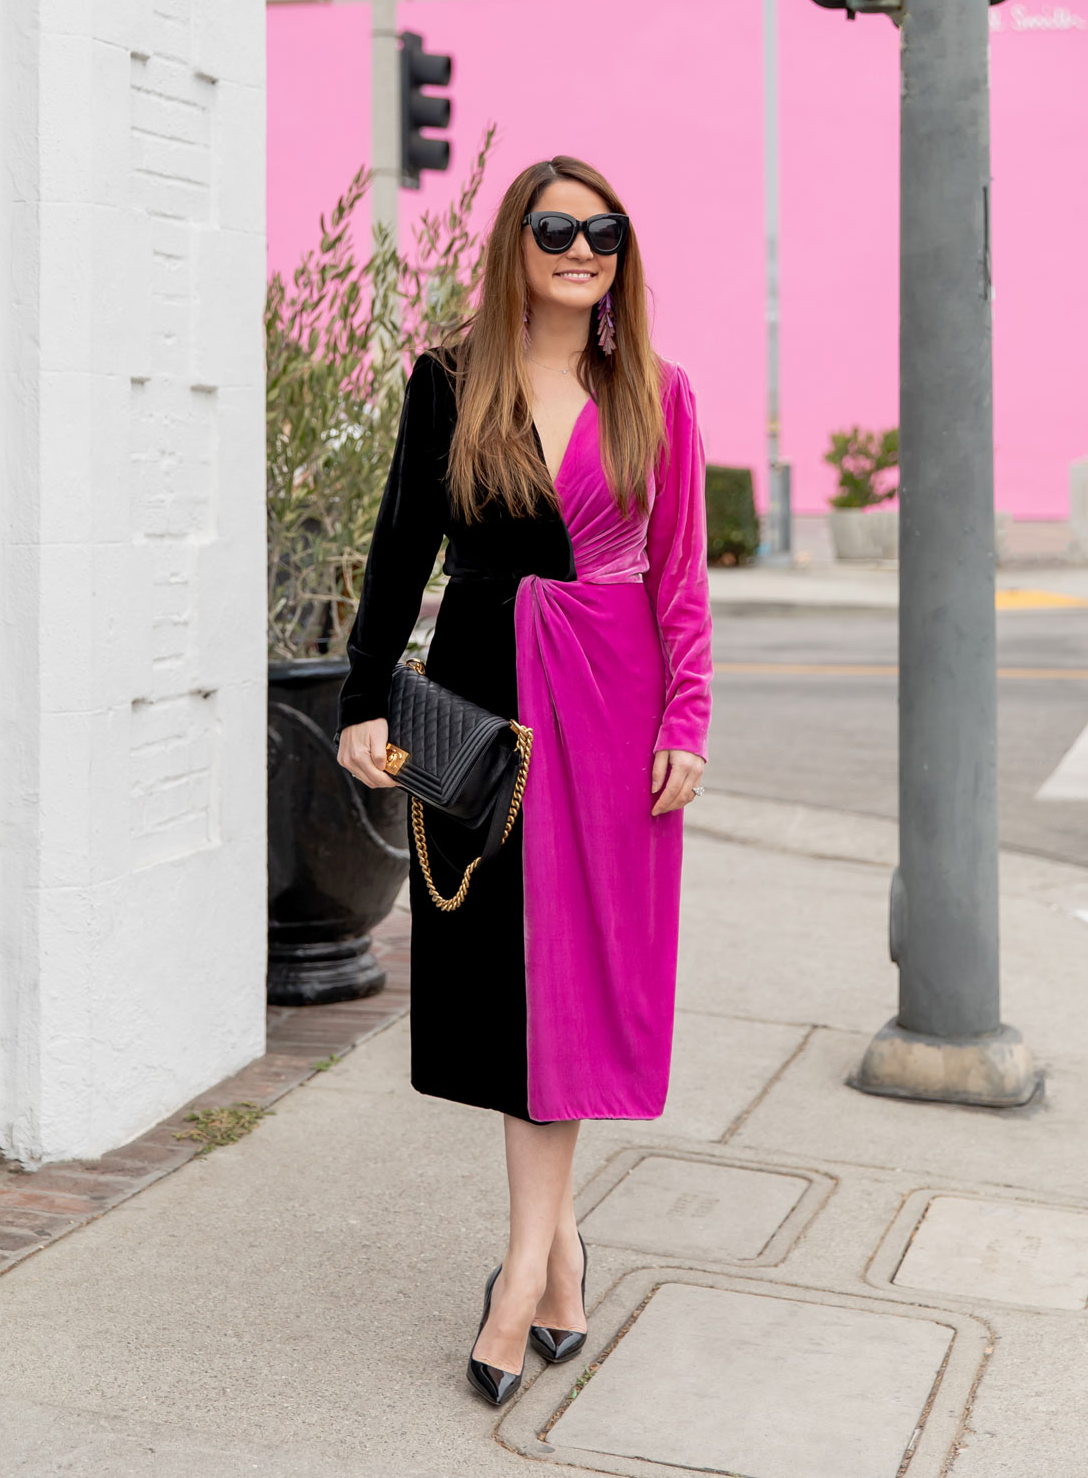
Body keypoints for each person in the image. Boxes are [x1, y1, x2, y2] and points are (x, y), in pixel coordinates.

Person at [337, 155, 712, 1406]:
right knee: (505, 990)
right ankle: (556, 1265)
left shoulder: (655, 392)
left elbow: (678, 577)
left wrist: (687, 719)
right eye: (556, 227)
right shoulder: (448, 383)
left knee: (574, 985)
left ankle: (517, 1274)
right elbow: (401, 547)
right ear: (515, 243)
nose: (581, 246)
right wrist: (358, 700)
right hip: (482, 715)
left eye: (602, 229)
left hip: (611, 715)